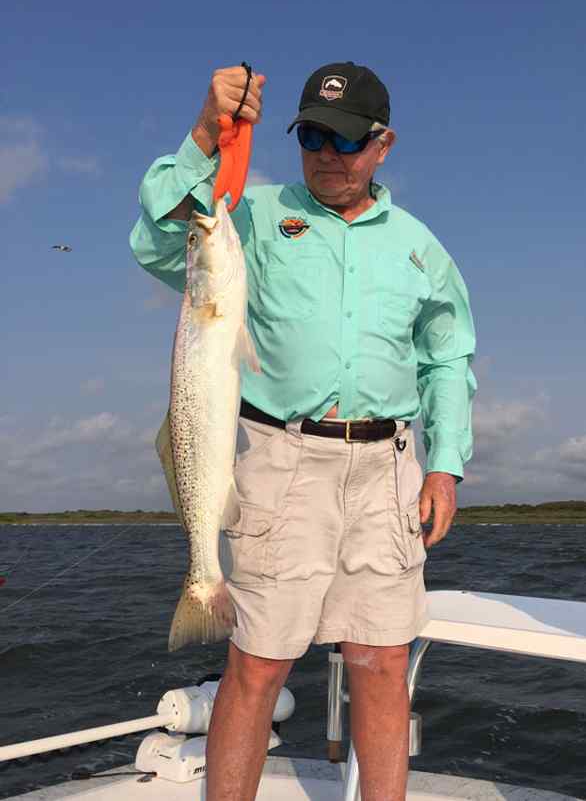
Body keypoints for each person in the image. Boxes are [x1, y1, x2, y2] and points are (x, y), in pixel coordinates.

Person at [130, 61, 477, 801]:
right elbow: (156, 242)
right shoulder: (247, 216)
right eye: (312, 136)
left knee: (382, 661)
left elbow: (448, 357)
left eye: (345, 140)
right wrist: (205, 134)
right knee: (258, 663)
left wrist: (444, 463)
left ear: (382, 145)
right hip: (279, 458)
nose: (326, 154)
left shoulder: (420, 245)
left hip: (387, 467)